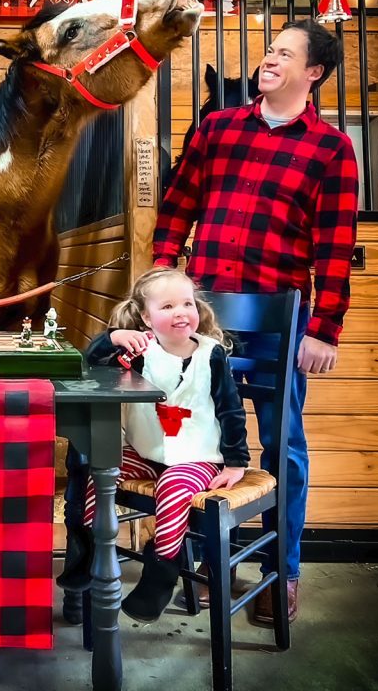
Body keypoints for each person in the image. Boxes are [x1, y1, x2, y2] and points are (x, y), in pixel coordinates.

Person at [153, 18, 359, 625]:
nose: (269, 60)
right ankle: (190, 559)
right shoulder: (217, 129)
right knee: (187, 436)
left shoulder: (331, 149)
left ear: (313, 73)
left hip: (279, 319)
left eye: (284, 54)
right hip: (202, 318)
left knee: (283, 445)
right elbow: (178, 206)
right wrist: (163, 283)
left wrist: (324, 328)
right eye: (270, 50)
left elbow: (334, 242)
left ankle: (282, 572)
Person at [57, 267, 248, 624]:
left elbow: (231, 411)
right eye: (168, 306)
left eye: (187, 304)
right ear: (146, 317)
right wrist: (112, 338)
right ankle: (88, 551)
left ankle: (160, 575)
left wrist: (236, 463)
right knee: (102, 467)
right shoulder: (141, 351)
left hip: (196, 457)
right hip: (148, 452)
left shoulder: (212, 355)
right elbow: (88, 366)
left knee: (173, 490)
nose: (180, 312)